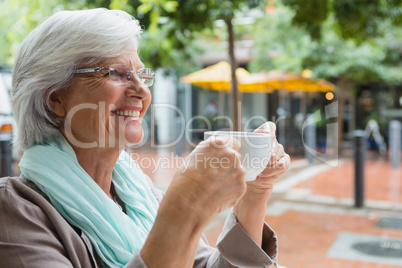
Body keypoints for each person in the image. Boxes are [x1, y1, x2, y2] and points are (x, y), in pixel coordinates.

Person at [0, 8, 291, 268]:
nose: (141, 91)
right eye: (117, 73)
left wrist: (254, 193)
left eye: (142, 75)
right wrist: (186, 206)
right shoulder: (14, 210)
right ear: (56, 99)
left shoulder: (140, 194)